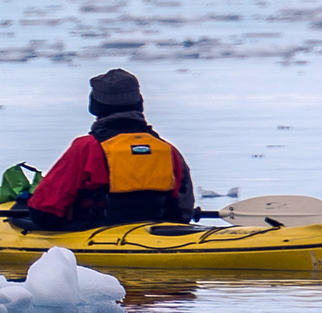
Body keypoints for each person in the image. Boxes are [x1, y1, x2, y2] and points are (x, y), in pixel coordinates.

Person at [18, 68, 195, 230]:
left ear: (95, 106)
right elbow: (183, 211)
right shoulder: (166, 149)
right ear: (139, 103)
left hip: (94, 228)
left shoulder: (87, 147)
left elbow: (44, 211)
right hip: (157, 229)